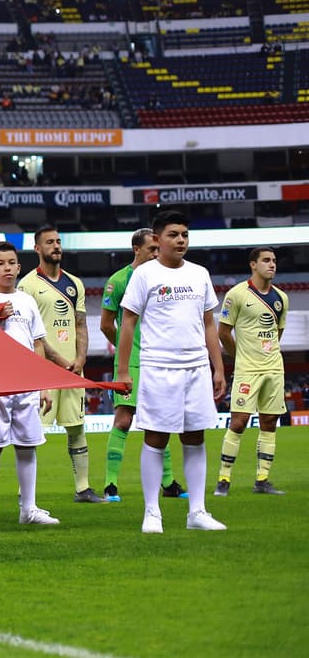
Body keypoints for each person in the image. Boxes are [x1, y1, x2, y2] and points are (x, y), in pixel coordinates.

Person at [117, 211, 226, 533]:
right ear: (157, 239)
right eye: (173, 234)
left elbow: (209, 324)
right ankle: (152, 513)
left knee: (195, 437)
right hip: (158, 367)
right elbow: (128, 323)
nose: (181, 240)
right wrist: (123, 370)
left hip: (196, 367)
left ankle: (197, 512)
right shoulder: (144, 275)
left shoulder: (200, 273)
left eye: (185, 235)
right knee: (156, 437)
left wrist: (218, 368)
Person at [0, 241, 61, 529]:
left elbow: (37, 344)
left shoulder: (27, 301)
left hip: (26, 382)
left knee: (27, 445)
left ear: (19, 268)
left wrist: (43, 384)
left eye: (11, 263)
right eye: (0, 264)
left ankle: (29, 508)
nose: (6, 268)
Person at [18, 225, 104, 503]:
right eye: (49, 242)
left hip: (72, 369)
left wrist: (81, 359)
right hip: (41, 371)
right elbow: (29, 332)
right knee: (32, 432)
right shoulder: (27, 285)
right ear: (37, 249)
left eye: (58, 241)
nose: (56, 246)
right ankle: (25, 493)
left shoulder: (75, 283)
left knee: (77, 427)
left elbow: (81, 324)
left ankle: (83, 488)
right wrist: (57, 359)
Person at [100, 229, 186, 502]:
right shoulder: (119, 280)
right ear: (136, 249)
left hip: (160, 360)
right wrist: (126, 352)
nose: (156, 254)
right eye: (151, 249)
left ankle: (168, 483)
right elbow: (106, 324)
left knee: (160, 422)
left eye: (158, 249)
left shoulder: (165, 278)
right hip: (132, 363)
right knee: (124, 420)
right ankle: (110, 484)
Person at [216, 247, 289, 496]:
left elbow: (277, 333)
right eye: (266, 260)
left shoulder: (282, 298)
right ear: (253, 265)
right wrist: (240, 357)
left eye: (274, 260)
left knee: (269, 422)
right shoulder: (236, 294)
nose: (272, 264)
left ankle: (262, 480)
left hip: (274, 368)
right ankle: (223, 479)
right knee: (238, 422)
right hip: (247, 369)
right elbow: (223, 332)